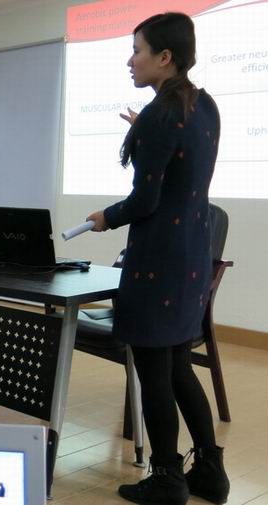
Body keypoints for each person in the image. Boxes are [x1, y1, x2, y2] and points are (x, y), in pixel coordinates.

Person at [86, 12, 228, 505]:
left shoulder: (160, 115)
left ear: (165, 57)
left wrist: (105, 217)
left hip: (157, 262)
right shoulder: (203, 104)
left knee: (153, 373)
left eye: (137, 50)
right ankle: (210, 471)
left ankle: (167, 477)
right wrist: (142, 131)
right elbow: (183, 166)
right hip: (193, 257)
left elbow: (144, 202)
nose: (131, 60)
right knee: (180, 367)